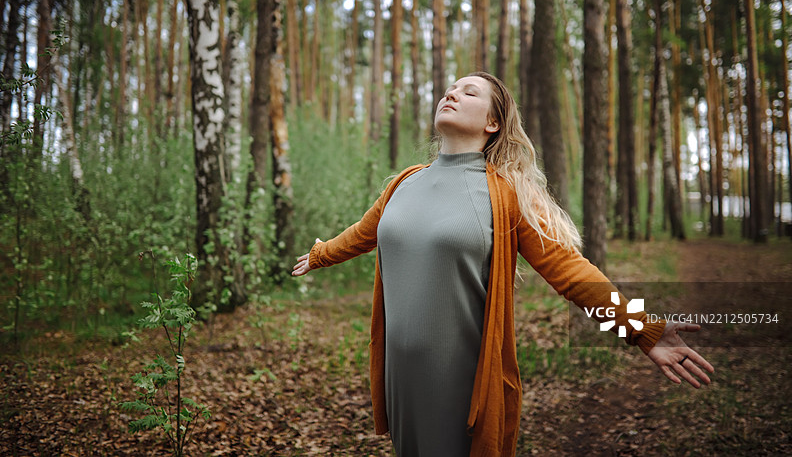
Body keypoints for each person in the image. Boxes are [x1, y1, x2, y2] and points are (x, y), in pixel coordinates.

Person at [291, 71, 713, 457]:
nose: (451, 93)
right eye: (449, 89)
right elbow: (363, 234)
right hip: (400, 378)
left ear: (493, 122)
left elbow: (571, 272)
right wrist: (320, 254)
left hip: (462, 382)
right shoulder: (404, 183)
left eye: (468, 91)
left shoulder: (507, 193)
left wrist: (643, 331)